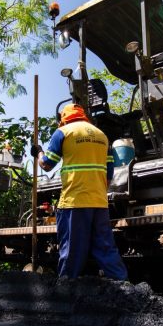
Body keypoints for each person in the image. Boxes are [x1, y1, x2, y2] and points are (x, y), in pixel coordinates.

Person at [31, 104, 128, 280]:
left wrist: (38, 152)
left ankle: (66, 291)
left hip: (74, 201)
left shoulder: (63, 132)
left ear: (63, 118)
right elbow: (109, 173)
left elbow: (46, 164)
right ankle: (126, 288)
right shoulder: (102, 135)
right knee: (106, 249)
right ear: (83, 116)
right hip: (99, 202)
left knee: (71, 252)